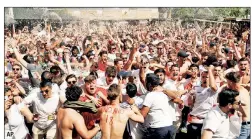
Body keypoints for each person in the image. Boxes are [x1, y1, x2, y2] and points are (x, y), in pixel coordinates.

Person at [141, 73, 176, 139]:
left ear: (149, 84)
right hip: (169, 127)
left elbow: (142, 115)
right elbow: (175, 97)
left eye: (145, 81)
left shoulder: (150, 95)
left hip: (157, 129)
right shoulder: (164, 93)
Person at [225, 72, 250, 139]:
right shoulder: (244, 89)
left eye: (227, 81)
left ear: (230, 82)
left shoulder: (237, 94)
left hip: (244, 126)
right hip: (245, 124)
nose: (226, 83)